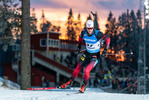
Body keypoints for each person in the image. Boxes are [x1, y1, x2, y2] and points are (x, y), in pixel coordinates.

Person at [60, 20, 110, 93]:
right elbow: (80, 38)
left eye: (91, 28)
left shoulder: (97, 34)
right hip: (86, 53)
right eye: (88, 28)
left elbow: (108, 39)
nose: (89, 30)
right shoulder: (83, 33)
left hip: (95, 56)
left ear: (93, 28)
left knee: (87, 70)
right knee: (78, 68)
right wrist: (79, 47)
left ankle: (84, 86)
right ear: (86, 28)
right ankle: (69, 83)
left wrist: (105, 50)